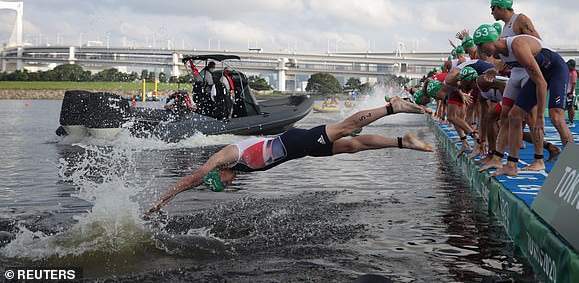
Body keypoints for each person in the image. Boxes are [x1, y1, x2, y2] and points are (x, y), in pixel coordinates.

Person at [146, 97, 434, 215]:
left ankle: (392, 107)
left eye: (224, 183)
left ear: (218, 172)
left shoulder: (225, 156)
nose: (229, 185)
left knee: (347, 127)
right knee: (351, 146)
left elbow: (191, 178)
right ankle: (402, 142)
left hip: (296, 141)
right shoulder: (229, 169)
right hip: (300, 151)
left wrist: (158, 201)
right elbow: (198, 182)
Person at [473, 24, 573, 176]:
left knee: (556, 118)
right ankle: (512, 165)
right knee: (514, 116)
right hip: (538, 75)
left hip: (555, 70)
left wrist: (540, 116)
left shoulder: (517, 46)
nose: (481, 52)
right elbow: (507, 63)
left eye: (481, 46)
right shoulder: (501, 52)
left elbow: (541, 82)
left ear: (490, 41)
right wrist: (495, 70)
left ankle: (574, 163)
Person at [566, 59, 578, 127]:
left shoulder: (573, 73)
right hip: (567, 91)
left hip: (570, 92)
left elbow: (573, 84)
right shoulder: (569, 72)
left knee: (570, 106)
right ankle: (569, 120)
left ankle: (571, 121)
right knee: (568, 106)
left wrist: (571, 92)